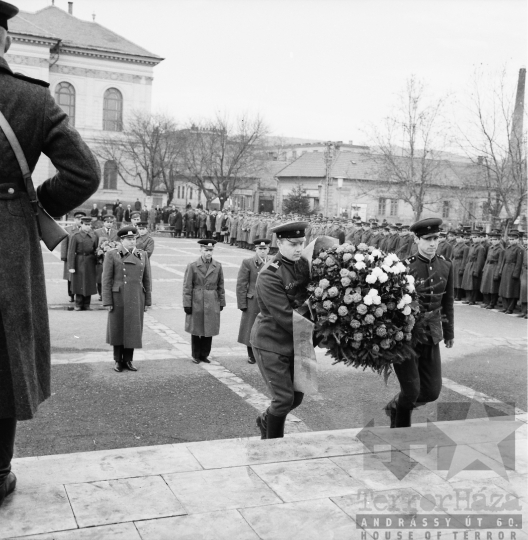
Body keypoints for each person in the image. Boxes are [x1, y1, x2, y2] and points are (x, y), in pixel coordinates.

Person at [0, 0, 100, 508]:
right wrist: (31, 206)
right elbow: (85, 173)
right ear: (6, 43)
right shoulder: (32, 100)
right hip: (8, 243)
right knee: (4, 354)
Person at [384, 218, 454, 429]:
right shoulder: (404, 267)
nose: (433, 243)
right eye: (428, 239)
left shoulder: (446, 265)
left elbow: (447, 302)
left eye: (436, 238)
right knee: (411, 391)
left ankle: (396, 407)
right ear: (416, 239)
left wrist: (449, 333)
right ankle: (401, 432)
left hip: (431, 335)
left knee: (431, 392)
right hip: (406, 337)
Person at [250, 221, 310, 439]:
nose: (298, 248)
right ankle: (273, 444)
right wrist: (322, 332)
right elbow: (286, 317)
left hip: (295, 342)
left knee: (297, 397)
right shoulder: (269, 274)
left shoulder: (303, 264)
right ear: (280, 242)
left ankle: (266, 418)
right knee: (283, 399)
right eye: (293, 244)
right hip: (271, 343)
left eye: (301, 243)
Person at [102, 226, 152, 372]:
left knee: (132, 329)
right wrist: (107, 301)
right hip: (119, 297)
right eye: (129, 239)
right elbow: (106, 280)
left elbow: (147, 279)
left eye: (134, 239)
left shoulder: (142, 255)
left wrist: (147, 300)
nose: (132, 242)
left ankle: (128, 360)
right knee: (118, 329)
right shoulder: (112, 255)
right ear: (122, 240)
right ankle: (118, 360)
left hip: (136, 296)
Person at [182, 240, 226, 364]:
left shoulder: (217, 265)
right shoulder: (193, 265)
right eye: (206, 250)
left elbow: (221, 285)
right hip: (197, 299)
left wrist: (222, 302)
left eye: (210, 250)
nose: (208, 253)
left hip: (212, 300)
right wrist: (187, 303)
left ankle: (204, 354)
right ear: (200, 250)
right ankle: (196, 355)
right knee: (197, 329)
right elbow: (187, 286)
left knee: (209, 328)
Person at [236, 239, 271, 364]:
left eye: (265, 249)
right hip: (253, 301)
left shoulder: (273, 262)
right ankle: (252, 355)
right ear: (255, 249)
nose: (262, 251)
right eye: (260, 249)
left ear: (269, 249)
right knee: (250, 328)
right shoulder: (248, 263)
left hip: (268, 301)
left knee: (266, 328)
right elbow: (241, 284)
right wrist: (242, 303)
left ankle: (263, 354)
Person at [67, 217, 98, 311]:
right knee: (79, 282)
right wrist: (71, 266)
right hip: (79, 260)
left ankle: (87, 304)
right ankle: (78, 304)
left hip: (90, 261)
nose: (88, 227)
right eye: (86, 224)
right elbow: (71, 252)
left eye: (89, 225)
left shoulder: (93, 236)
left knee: (89, 282)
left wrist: (98, 257)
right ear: (81, 224)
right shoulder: (75, 236)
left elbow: (96, 249)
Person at [498, 230, 524, 314]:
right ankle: (505, 307)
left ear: (517, 240)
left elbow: (519, 263)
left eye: (513, 239)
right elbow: (503, 260)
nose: (511, 241)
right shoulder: (507, 248)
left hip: (512, 269)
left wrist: (516, 273)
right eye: (510, 239)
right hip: (506, 269)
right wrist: (501, 270)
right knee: (504, 288)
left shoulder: (519, 249)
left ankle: (510, 308)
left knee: (512, 290)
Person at [61, 211, 84, 302]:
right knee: (70, 276)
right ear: (74, 220)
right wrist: (64, 256)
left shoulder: (85, 229)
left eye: (81, 219)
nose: (80, 221)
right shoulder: (68, 229)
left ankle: (80, 293)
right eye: (78, 219)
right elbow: (64, 243)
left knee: (80, 276)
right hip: (70, 257)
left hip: (81, 257)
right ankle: (71, 295)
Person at [94, 215, 118, 300]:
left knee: (111, 275)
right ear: (104, 223)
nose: (109, 224)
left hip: (112, 258)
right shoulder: (97, 232)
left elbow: (118, 244)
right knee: (100, 276)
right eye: (107, 222)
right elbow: (95, 245)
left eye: (111, 222)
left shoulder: (116, 233)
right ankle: (101, 294)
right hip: (101, 258)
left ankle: (110, 293)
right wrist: (98, 252)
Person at [479, 231, 504, 310]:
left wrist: (497, 273)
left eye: (495, 239)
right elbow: (487, 259)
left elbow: (500, 262)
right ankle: (487, 302)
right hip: (488, 267)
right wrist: (484, 268)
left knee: (493, 287)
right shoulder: (490, 247)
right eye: (492, 239)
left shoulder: (501, 249)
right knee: (486, 285)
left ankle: (492, 303)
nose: (493, 241)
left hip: (494, 267)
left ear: (499, 240)